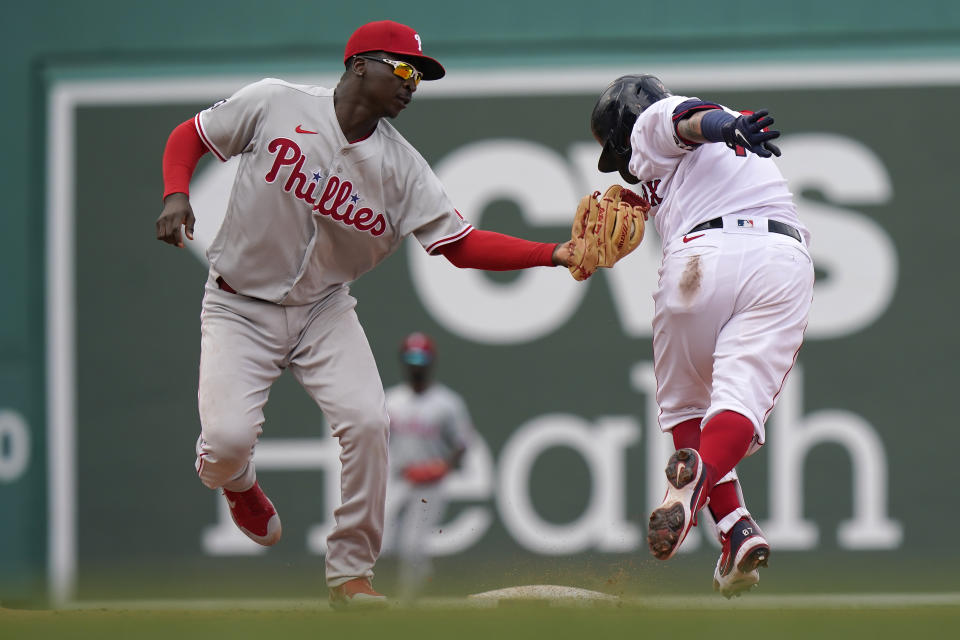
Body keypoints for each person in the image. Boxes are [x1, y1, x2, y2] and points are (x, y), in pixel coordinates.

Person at [155, 19, 576, 610]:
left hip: (323, 309)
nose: (412, 84)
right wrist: (177, 192)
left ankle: (350, 576)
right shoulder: (276, 103)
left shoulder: (402, 169)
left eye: (420, 77)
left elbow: (460, 244)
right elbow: (190, 135)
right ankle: (237, 482)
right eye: (404, 69)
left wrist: (554, 254)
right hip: (237, 304)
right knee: (225, 445)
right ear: (359, 65)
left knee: (368, 423)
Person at [589, 75, 814, 597]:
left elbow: (687, 119)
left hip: (700, 260)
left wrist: (726, 124)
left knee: (687, 410)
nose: (618, 159)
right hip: (781, 260)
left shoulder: (650, 121)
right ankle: (735, 529)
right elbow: (686, 147)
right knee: (737, 400)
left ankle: (706, 498)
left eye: (612, 148)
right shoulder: (677, 180)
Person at [382, 332, 474, 603]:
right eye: (411, 357)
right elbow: (375, 442)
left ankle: (409, 601)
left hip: (429, 484)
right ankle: (380, 595)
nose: (416, 363)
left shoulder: (447, 402)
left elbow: (462, 444)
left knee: (412, 546)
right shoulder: (391, 400)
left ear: (431, 361)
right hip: (396, 478)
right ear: (402, 361)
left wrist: (442, 467)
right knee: (380, 541)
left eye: (421, 357)